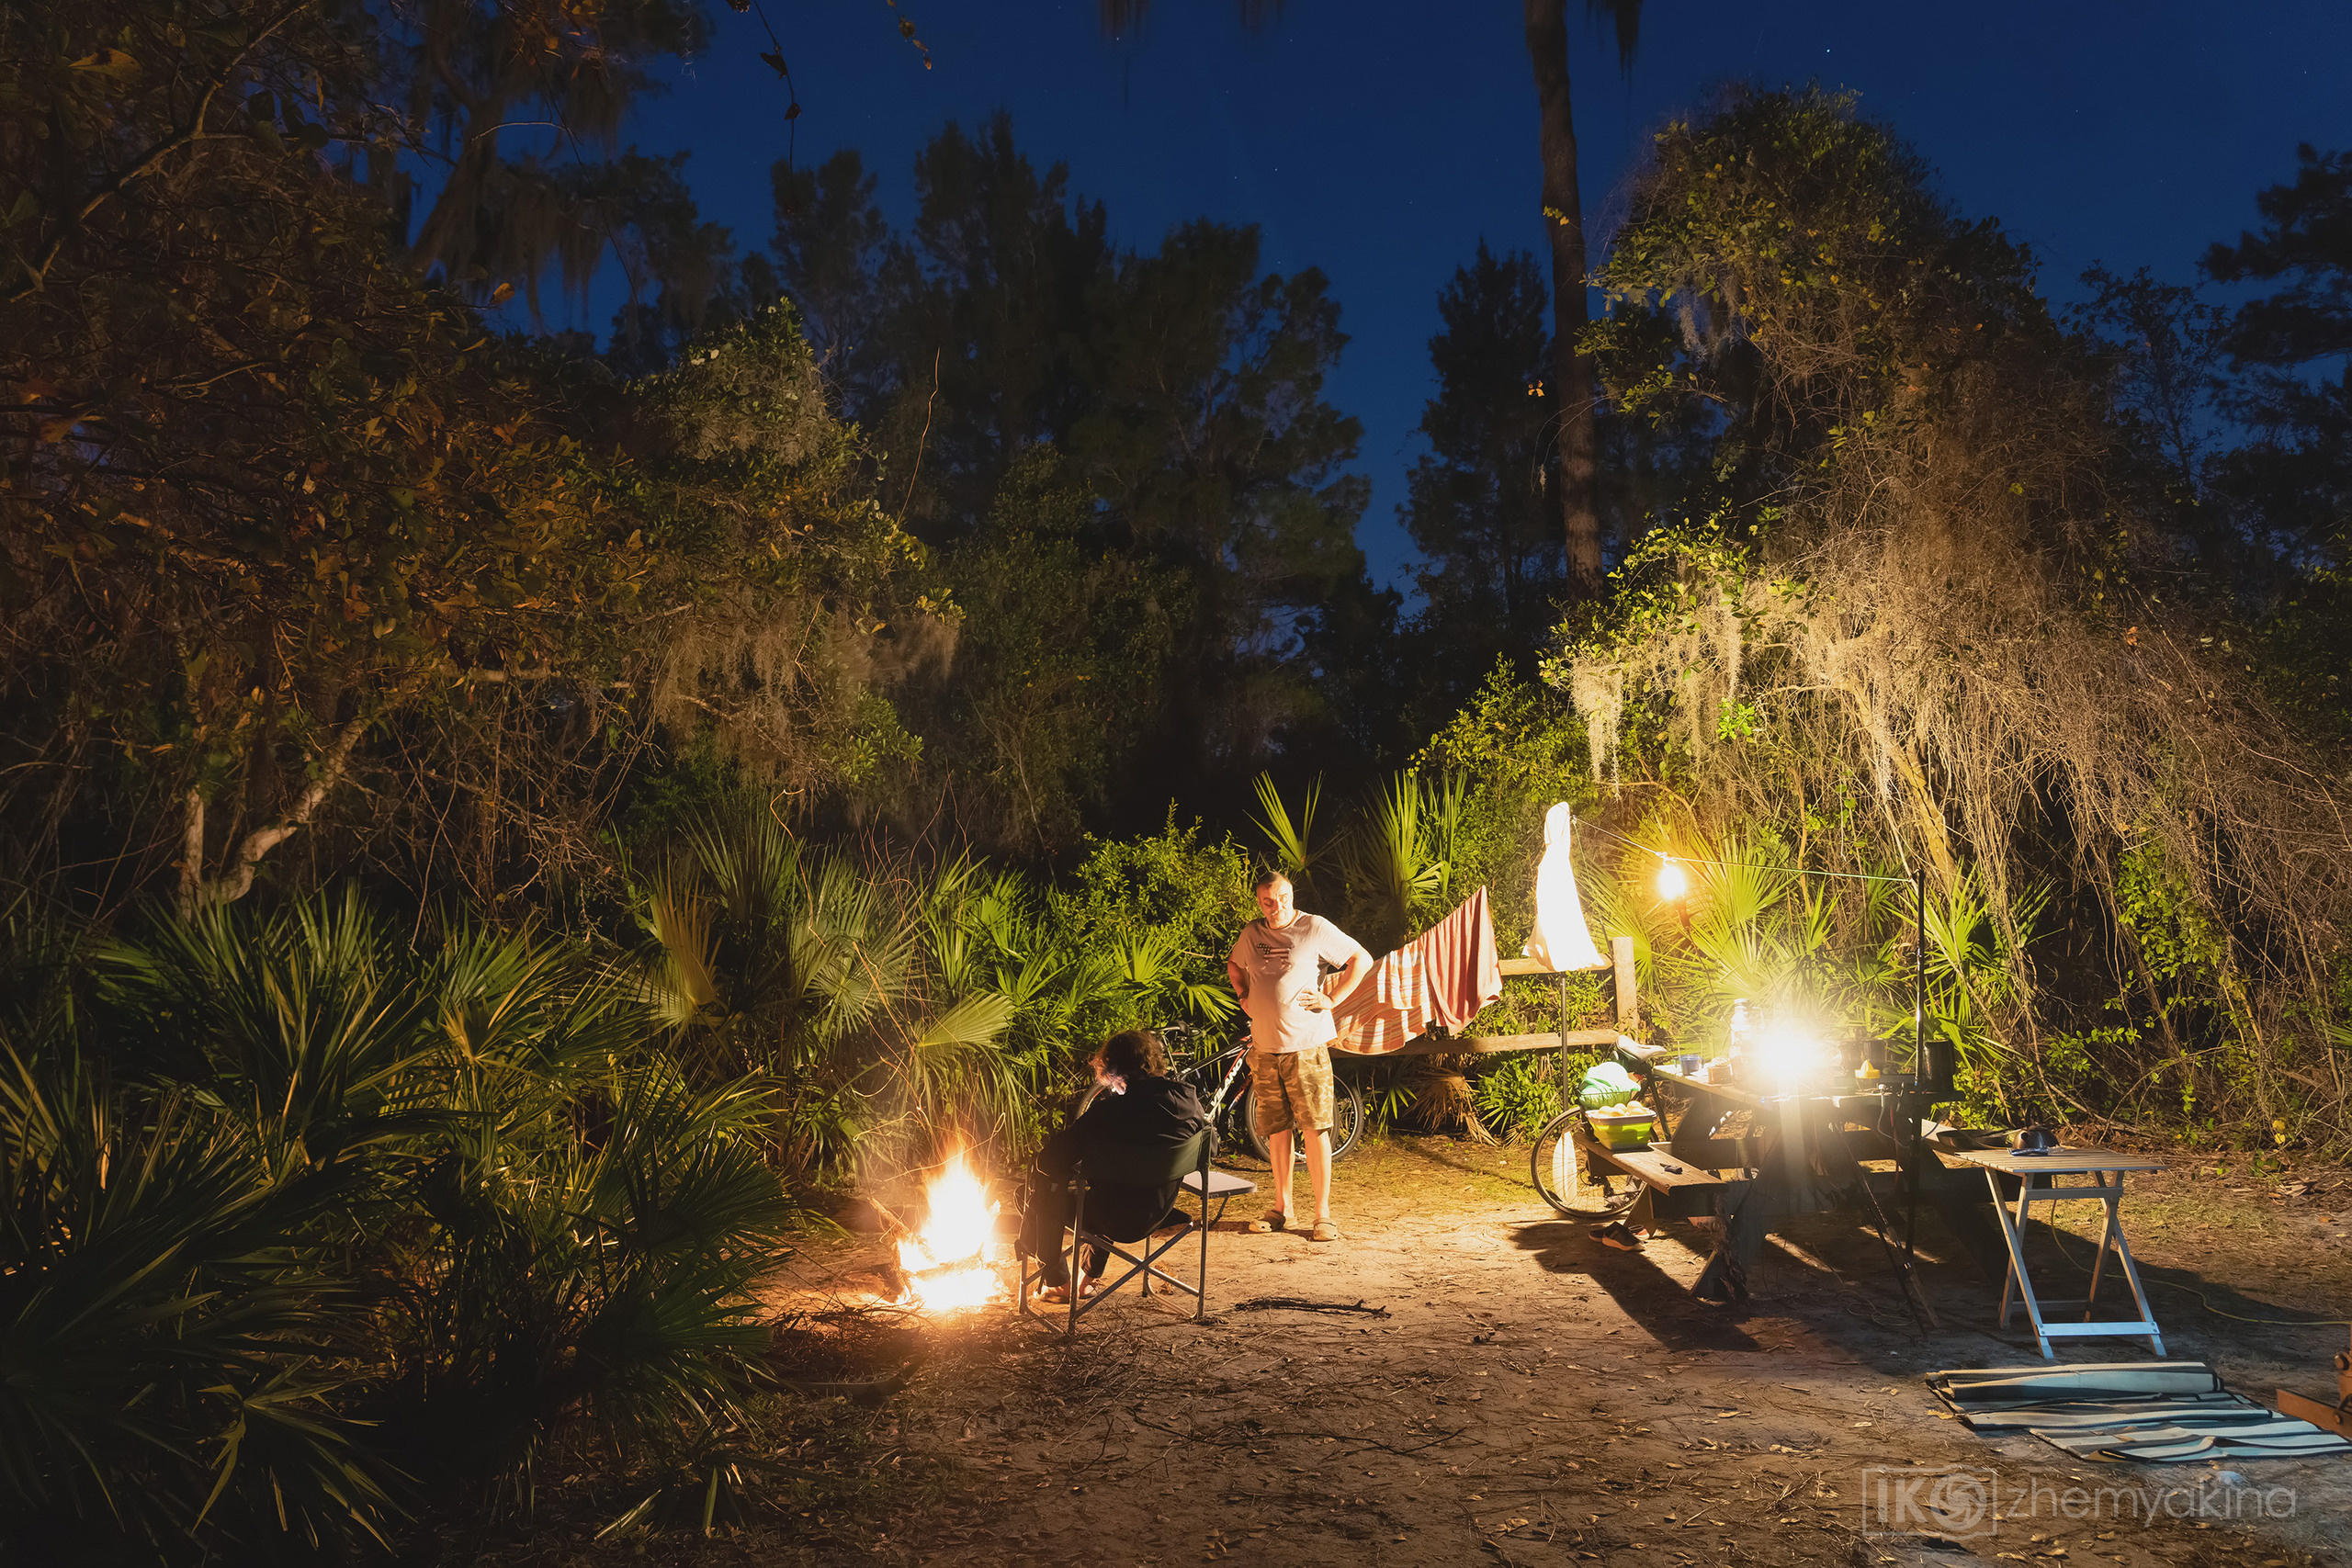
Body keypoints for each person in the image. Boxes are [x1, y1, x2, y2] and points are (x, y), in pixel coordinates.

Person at [1225, 870, 1370, 1242]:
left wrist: (1332, 999)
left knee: (1315, 1127)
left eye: (1283, 898)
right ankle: (1282, 1207)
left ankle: (1322, 1214)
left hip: (1305, 1046)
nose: (1277, 907)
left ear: (1292, 895)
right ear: (1259, 902)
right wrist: (1244, 996)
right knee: (1276, 1130)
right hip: (1266, 1049)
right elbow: (1233, 965)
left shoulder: (1314, 928)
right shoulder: (1252, 933)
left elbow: (1360, 959)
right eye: (1268, 901)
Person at [1018, 1029, 1209, 1303]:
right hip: (1159, 1211)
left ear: (1114, 1070)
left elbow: (1050, 1161)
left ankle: (1058, 1282)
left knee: (1041, 1192)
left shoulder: (1109, 1114)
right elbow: (1207, 1149)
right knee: (1112, 1191)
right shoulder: (1189, 1104)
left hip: (1110, 1216)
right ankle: (1086, 1280)